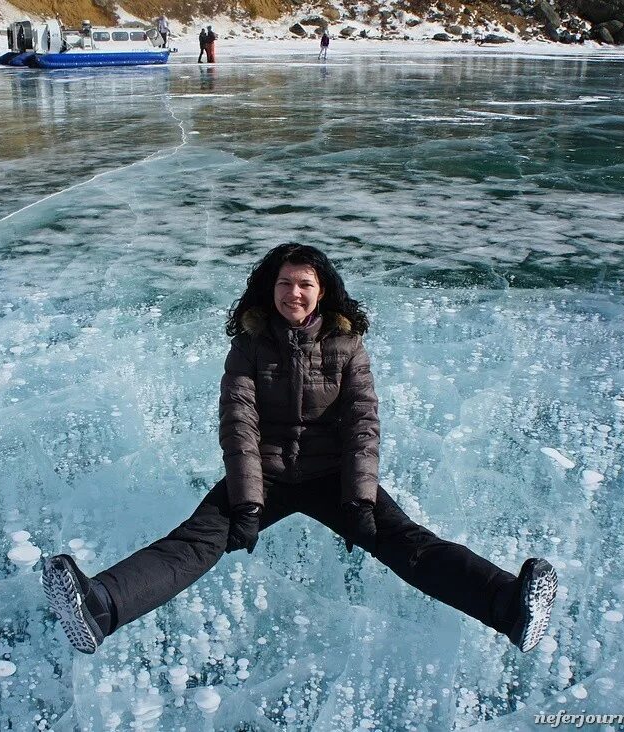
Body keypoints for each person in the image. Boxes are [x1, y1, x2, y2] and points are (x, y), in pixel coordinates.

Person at [43, 244, 559, 656]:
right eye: (286, 283)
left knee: (405, 541)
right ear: (271, 290)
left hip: (332, 475)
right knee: (195, 543)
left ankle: (508, 606)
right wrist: (246, 503)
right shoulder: (248, 344)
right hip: (264, 475)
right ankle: (101, 607)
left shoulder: (347, 344)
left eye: (305, 284)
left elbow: (362, 422)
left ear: (322, 292)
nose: (294, 292)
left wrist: (358, 500)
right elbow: (239, 422)